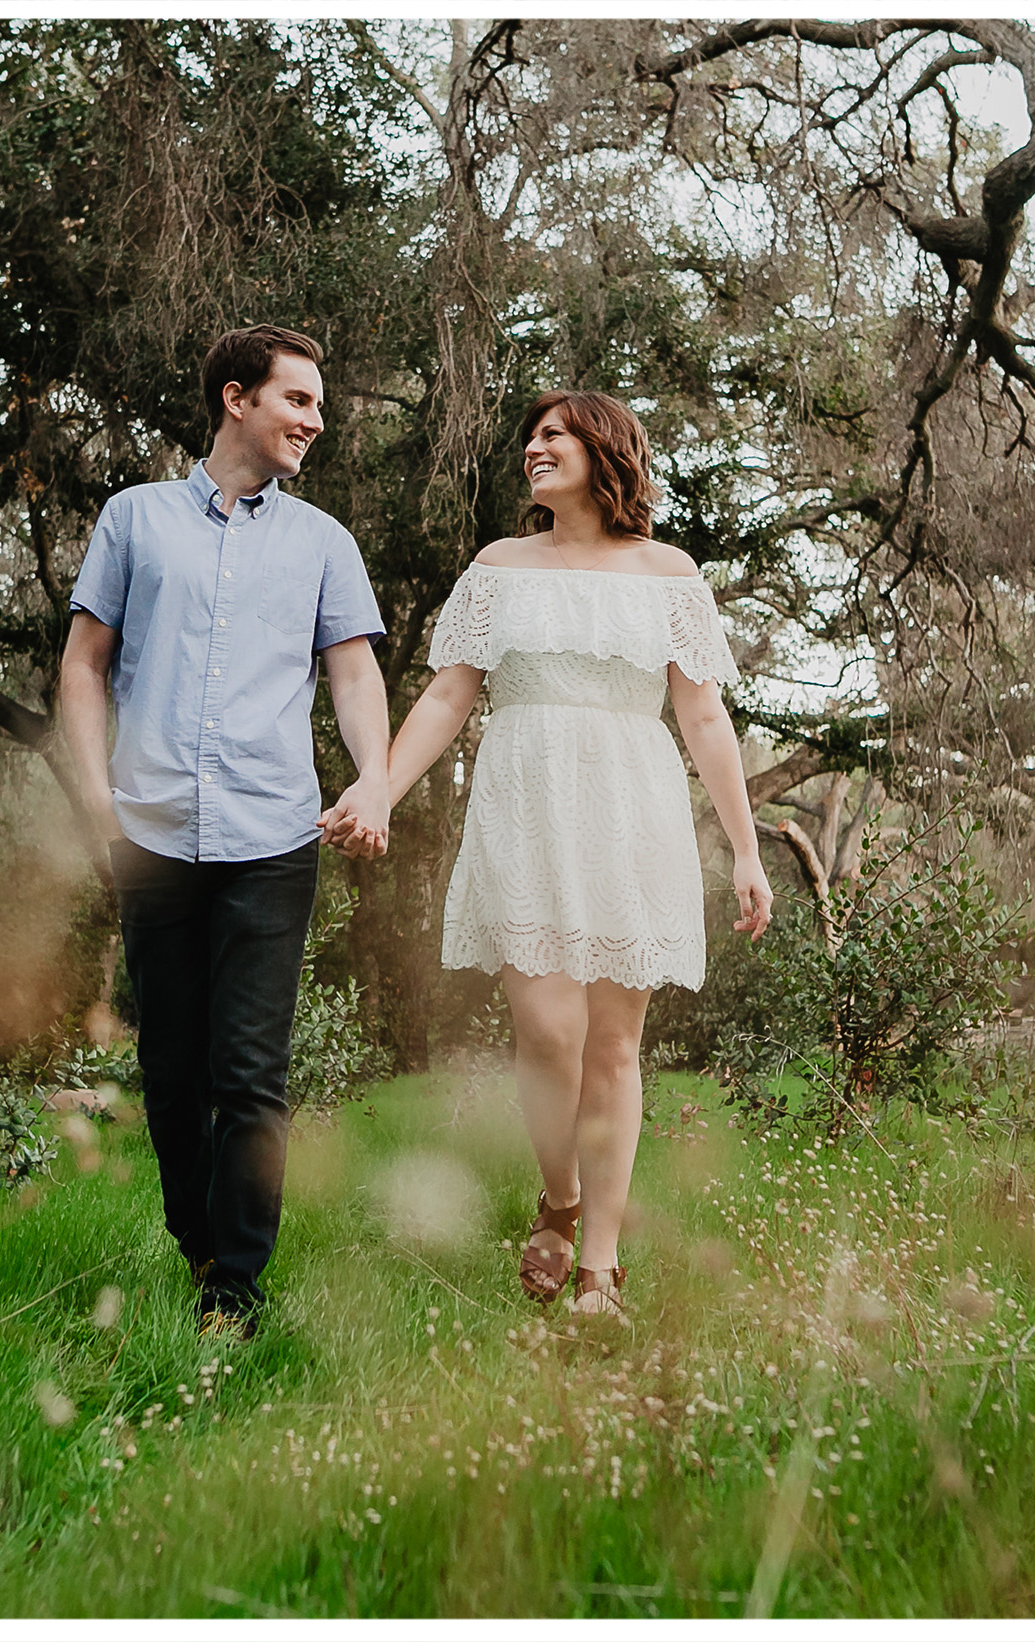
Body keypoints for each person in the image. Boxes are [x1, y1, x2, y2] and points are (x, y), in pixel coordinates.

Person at [348, 389, 773, 1314]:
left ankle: (599, 1270)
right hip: (526, 805)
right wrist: (377, 784)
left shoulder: (671, 575)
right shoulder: (500, 566)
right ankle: (561, 1195)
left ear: (604, 449)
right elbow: (449, 697)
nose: (535, 448)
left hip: (631, 808)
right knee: (547, 1032)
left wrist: (745, 849)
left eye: (554, 434)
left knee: (615, 1047)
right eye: (531, 438)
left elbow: (703, 714)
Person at [57, 324, 392, 1338]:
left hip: (273, 833)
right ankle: (197, 1240)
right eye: (299, 401)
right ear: (237, 399)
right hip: (149, 830)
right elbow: (82, 664)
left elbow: (353, 674)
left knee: (250, 1070)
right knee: (170, 1068)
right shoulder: (135, 520)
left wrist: (373, 778)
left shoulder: (323, 544)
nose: (315, 422)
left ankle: (234, 1291)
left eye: (319, 407)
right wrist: (92, 796)